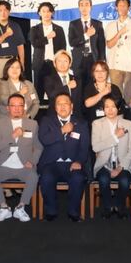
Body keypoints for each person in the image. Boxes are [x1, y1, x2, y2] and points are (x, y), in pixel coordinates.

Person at [0, 93, 42, 222]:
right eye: (13, 105)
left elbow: (38, 147)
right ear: (8, 108)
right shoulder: (0, 124)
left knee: (34, 176)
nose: (17, 108)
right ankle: (4, 207)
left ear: (24, 107)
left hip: (24, 166)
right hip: (4, 165)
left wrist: (32, 161)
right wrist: (12, 136)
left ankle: (20, 207)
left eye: (20, 105)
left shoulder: (32, 124)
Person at [38, 93, 90, 222]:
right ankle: (51, 211)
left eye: (65, 103)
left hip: (72, 163)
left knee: (78, 178)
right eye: (59, 104)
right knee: (46, 178)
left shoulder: (81, 123)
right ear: (55, 107)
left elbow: (84, 147)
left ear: (71, 106)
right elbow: (44, 139)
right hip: (52, 163)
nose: (62, 106)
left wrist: (79, 161)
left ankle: (74, 212)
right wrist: (61, 130)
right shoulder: (46, 121)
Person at [91, 95, 131, 218]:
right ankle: (107, 207)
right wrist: (115, 137)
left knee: (125, 181)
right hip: (103, 164)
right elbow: (96, 147)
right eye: (107, 107)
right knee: (103, 180)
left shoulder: (128, 124)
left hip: (123, 164)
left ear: (119, 108)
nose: (110, 110)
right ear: (103, 109)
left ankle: (118, 206)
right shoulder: (97, 124)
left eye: (113, 106)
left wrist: (120, 167)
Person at [0, 0, 25, 93]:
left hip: (12, 61)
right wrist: (6, 34)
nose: (3, 12)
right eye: (0, 10)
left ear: (9, 12)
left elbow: (20, 45)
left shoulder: (15, 25)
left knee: (13, 88)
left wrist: (22, 62)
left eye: (6, 10)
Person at [104, 0, 131, 91]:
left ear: (129, 8)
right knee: (116, 92)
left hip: (129, 65)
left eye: (124, 5)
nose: (122, 8)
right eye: (120, 5)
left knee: (129, 92)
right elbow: (109, 45)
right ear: (116, 8)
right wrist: (119, 33)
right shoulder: (110, 25)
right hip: (114, 66)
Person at [29, 2, 66, 99]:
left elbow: (63, 48)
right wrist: (48, 37)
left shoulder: (59, 29)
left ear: (52, 13)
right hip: (40, 64)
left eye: (48, 11)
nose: (46, 14)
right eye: (43, 11)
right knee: (38, 91)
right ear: (39, 13)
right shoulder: (35, 29)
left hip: (54, 64)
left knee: (55, 91)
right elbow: (35, 43)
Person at [68, 0, 105, 88]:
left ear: (91, 7)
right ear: (79, 8)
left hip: (93, 58)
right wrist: (86, 35)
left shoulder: (98, 24)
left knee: (93, 86)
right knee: (78, 86)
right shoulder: (73, 24)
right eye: (81, 5)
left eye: (86, 5)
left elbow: (101, 44)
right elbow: (72, 42)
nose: (84, 7)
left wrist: (101, 61)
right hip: (78, 60)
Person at [43, 50, 82, 116]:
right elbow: (51, 95)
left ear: (70, 64)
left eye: (65, 61)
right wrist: (67, 86)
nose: (62, 64)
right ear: (54, 64)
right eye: (59, 61)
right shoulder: (48, 79)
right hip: (55, 116)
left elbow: (79, 101)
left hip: (74, 116)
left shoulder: (77, 79)